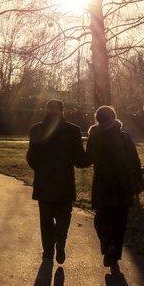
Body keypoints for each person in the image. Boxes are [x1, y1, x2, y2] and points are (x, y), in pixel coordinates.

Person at [27, 99, 89, 264]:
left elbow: (31, 157)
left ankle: (48, 252)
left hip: (44, 182)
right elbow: (79, 160)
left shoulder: (36, 129)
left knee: (45, 220)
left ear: (46, 110)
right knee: (64, 218)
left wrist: (40, 170)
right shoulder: (73, 130)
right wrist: (94, 155)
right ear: (63, 111)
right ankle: (60, 242)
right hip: (65, 182)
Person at [86, 106, 143, 267]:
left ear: (97, 119)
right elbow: (135, 161)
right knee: (120, 221)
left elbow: (88, 159)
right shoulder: (125, 138)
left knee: (101, 218)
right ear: (115, 117)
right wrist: (138, 180)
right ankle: (115, 253)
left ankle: (106, 243)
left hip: (103, 184)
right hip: (123, 184)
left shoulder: (95, 137)